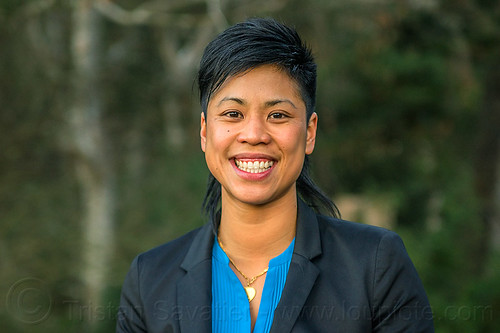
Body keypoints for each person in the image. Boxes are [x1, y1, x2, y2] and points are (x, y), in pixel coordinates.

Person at [116, 18, 434, 333]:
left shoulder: (374, 266)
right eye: (233, 114)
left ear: (309, 132)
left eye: (278, 115)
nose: (254, 134)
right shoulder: (151, 278)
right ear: (204, 132)